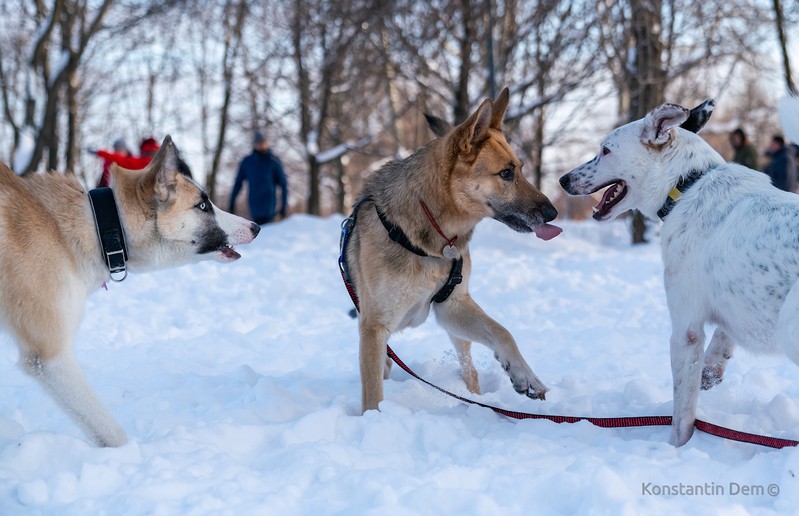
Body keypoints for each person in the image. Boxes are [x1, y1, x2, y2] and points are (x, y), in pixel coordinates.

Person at [229, 131, 288, 224]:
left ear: (267, 143)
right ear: (254, 144)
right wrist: (232, 202)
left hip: (269, 207)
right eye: (259, 143)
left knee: (268, 231)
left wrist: (284, 206)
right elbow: (238, 183)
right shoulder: (247, 161)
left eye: (263, 142)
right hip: (254, 207)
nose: (261, 145)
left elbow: (283, 184)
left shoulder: (274, 160)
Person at [94, 137, 161, 187]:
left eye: (120, 150)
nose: (117, 152)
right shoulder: (109, 162)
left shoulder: (145, 161)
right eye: (116, 150)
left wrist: (100, 152)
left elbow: (123, 161)